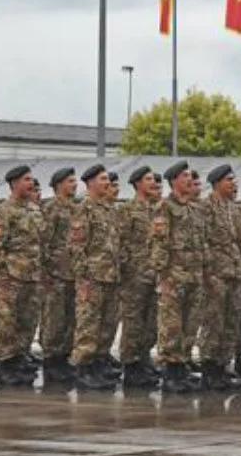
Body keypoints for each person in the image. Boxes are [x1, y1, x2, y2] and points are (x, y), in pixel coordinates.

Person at [152, 160, 207, 394]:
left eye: (189, 176)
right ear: (174, 181)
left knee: (189, 324)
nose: (188, 179)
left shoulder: (194, 208)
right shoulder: (165, 207)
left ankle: (182, 366)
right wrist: (162, 274)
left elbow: (201, 241)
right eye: (184, 176)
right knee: (171, 326)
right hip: (173, 276)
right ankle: (171, 373)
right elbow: (158, 242)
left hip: (193, 275)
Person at [69, 164, 122, 390]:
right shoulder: (84, 209)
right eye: (102, 179)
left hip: (110, 276)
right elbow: (76, 247)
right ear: (90, 184)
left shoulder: (109, 210)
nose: (107, 182)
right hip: (92, 278)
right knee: (88, 325)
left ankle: (98, 365)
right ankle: (83, 369)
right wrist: (84, 277)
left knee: (107, 325)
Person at [0, 165, 43, 386]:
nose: (31, 183)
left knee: (27, 320)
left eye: (32, 180)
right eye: (26, 180)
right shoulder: (4, 210)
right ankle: (6, 365)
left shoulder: (34, 210)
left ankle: (20, 357)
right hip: (10, 276)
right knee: (7, 321)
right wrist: (2, 274)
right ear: (14, 183)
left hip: (31, 275)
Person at [200, 164, 241, 391]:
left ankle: (222, 366)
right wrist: (209, 272)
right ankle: (209, 369)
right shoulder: (206, 207)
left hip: (233, 273)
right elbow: (202, 241)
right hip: (215, 274)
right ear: (217, 183)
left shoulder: (233, 208)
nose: (234, 183)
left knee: (230, 322)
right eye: (229, 180)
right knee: (213, 322)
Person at [117, 166, 161, 388]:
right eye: (148, 179)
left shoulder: (157, 211)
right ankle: (131, 366)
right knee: (133, 323)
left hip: (154, 275)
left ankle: (143, 359)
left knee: (150, 322)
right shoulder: (128, 210)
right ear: (137, 184)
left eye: (154, 179)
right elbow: (120, 241)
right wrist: (128, 268)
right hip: (135, 276)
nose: (153, 183)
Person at [40, 167, 79, 383]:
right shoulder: (51, 208)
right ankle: (50, 361)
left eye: (75, 181)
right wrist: (45, 271)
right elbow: (43, 241)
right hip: (55, 273)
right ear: (59, 185)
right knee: (54, 319)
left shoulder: (76, 208)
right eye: (70, 181)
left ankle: (63, 358)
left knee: (69, 319)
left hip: (72, 272)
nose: (74, 185)